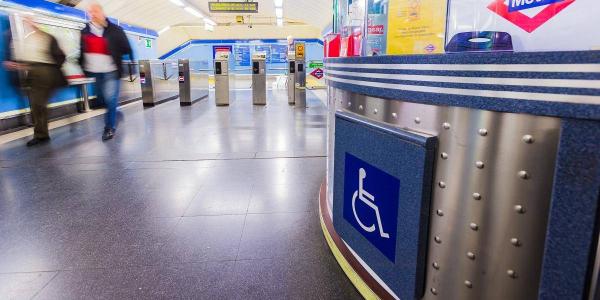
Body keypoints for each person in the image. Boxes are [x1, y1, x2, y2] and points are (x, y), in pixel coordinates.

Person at [4, 17, 68, 147]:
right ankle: (41, 134)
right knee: (37, 105)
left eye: (28, 21)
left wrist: (52, 70)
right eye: (25, 22)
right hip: (33, 73)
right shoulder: (27, 40)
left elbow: (60, 56)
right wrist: (16, 65)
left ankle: (41, 134)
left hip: (45, 73)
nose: (27, 24)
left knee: (38, 104)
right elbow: (27, 61)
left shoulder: (46, 37)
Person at [78, 2, 133, 141]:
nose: (93, 14)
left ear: (103, 13)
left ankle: (109, 127)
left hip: (111, 70)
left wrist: (115, 51)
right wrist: (81, 64)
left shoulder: (115, 30)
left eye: (96, 11)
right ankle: (115, 112)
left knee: (110, 98)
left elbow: (126, 48)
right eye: (91, 12)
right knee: (103, 100)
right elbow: (81, 50)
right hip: (94, 71)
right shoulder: (84, 31)